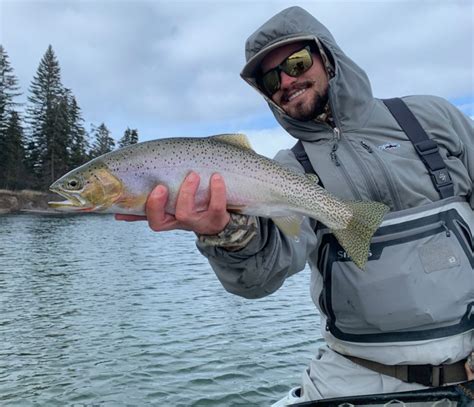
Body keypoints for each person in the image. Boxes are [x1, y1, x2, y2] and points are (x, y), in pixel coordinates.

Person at [116, 6, 473, 402]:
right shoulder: (283, 170)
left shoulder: (430, 116)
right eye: (271, 78)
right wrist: (229, 234)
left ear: (328, 57)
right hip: (357, 368)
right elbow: (262, 273)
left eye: (297, 62)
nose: (287, 80)